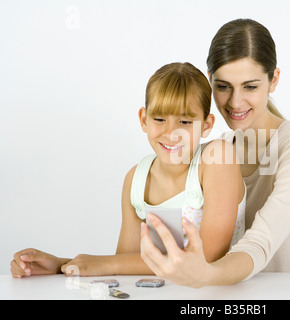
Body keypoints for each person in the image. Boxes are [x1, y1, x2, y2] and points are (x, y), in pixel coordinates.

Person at [10, 62, 246, 277]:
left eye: (185, 122)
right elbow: (125, 266)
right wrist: (63, 265)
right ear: (144, 119)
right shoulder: (136, 179)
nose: (171, 132)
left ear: (206, 125)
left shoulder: (218, 158)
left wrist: (105, 264)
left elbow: (205, 259)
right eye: (159, 119)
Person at [140, 19, 290, 287]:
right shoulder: (220, 150)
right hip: (232, 293)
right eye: (223, 86)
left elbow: (259, 242)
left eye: (250, 87)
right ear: (209, 80)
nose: (235, 102)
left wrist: (205, 273)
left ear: (273, 80)